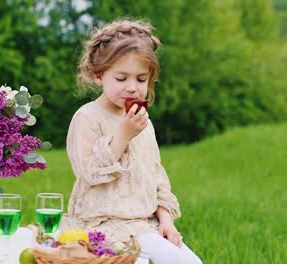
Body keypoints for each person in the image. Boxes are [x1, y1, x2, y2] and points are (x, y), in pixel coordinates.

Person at [61, 19, 202, 264]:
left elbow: (155, 176)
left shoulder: (142, 121)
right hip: (105, 225)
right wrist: (123, 135)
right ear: (99, 76)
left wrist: (166, 221)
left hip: (146, 224)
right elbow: (90, 173)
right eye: (121, 78)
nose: (131, 87)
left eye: (140, 79)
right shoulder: (88, 117)